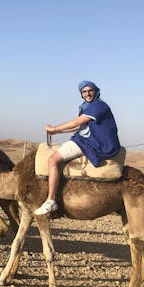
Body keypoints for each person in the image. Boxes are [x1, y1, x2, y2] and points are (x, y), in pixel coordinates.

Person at [34, 80, 121, 215]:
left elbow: (77, 122)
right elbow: (78, 127)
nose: (87, 94)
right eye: (84, 92)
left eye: (90, 91)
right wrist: (56, 132)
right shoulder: (87, 107)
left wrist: (54, 129)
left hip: (93, 142)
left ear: (95, 91)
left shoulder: (98, 106)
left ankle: (50, 201)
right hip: (86, 139)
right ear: (81, 94)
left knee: (52, 160)